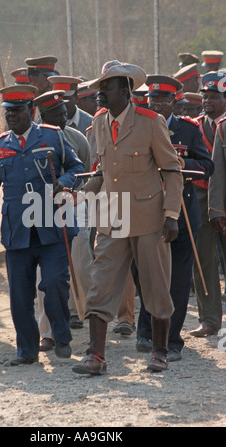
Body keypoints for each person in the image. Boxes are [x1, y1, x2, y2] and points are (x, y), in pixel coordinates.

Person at [71, 63, 184, 375]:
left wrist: (171, 214)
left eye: (107, 87)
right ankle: (96, 355)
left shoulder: (150, 122)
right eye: (100, 86)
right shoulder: (97, 124)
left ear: (125, 91)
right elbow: (102, 172)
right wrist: (80, 192)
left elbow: (172, 172)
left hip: (150, 220)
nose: (100, 92)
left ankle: (159, 352)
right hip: (111, 218)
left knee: (155, 287)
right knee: (100, 285)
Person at [0, 85, 84, 365]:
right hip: (17, 232)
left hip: (53, 226)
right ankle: (26, 350)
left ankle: (61, 334)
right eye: (7, 112)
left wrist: (64, 182)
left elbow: (76, 167)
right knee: (20, 295)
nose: (12, 116)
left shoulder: (52, 136)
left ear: (31, 111)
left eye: (17, 111)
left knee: (54, 283)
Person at [134, 75, 214, 361]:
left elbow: (207, 166)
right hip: (145, 213)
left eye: (163, 101)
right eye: (152, 100)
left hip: (181, 215)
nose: (157, 105)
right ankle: (145, 332)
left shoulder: (188, 131)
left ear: (175, 103)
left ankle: (172, 341)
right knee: (146, 276)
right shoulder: (137, 127)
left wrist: (181, 164)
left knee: (178, 281)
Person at [32, 89, 94, 347]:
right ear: (44, 115)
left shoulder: (77, 138)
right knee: (42, 277)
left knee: (81, 264)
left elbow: (86, 173)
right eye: (56, 114)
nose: (63, 117)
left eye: (64, 112)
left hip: (73, 206)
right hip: (38, 210)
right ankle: (47, 332)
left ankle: (91, 318)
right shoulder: (32, 139)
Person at [191, 70, 226, 337]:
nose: (207, 101)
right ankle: (210, 319)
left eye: (214, 97)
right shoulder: (193, 126)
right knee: (203, 260)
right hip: (199, 197)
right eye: (205, 96)